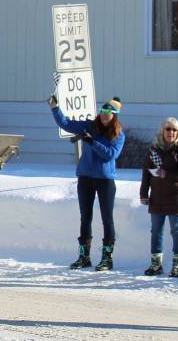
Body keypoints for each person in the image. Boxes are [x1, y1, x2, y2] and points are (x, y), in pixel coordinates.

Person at [49, 94, 126, 271]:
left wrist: (91, 141)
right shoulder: (89, 126)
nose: (105, 114)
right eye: (103, 110)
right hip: (86, 178)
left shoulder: (118, 134)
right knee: (85, 218)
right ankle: (84, 256)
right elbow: (66, 123)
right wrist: (55, 108)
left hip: (105, 180)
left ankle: (107, 258)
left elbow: (110, 154)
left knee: (107, 219)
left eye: (109, 112)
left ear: (114, 115)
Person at [139, 117, 178, 277]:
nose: (171, 132)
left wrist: (167, 174)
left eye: (174, 130)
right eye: (168, 129)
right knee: (156, 231)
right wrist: (143, 193)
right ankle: (156, 265)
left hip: (176, 197)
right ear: (163, 131)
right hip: (157, 196)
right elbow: (146, 172)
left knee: (177, 231)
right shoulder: (154, 149)